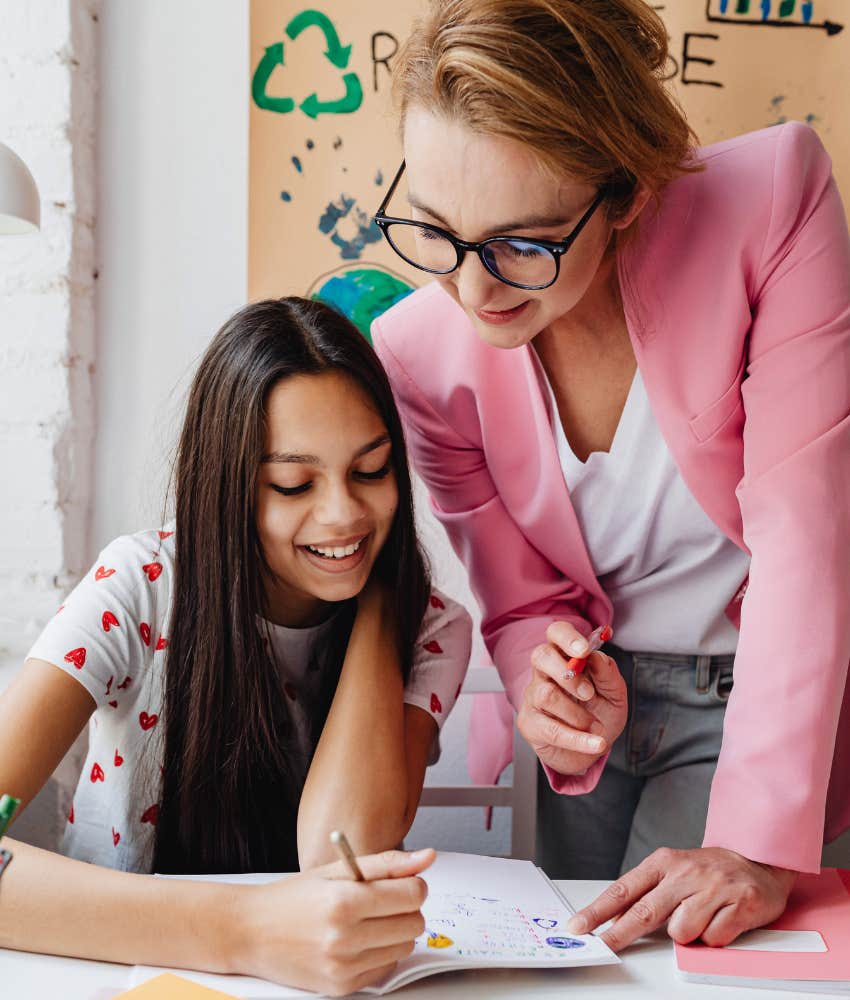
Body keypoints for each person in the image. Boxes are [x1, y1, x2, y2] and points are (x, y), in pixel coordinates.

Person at [371, 0, 850, 953]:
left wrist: (753, 842)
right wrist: (542, 680)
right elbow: (517, 600)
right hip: (599, 720)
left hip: (757, 700)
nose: (474, 293)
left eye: (524, 243)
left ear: (626, 194)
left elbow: (807, 528)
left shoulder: (774, 200)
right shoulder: (419, 351)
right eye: (435, 229)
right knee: (576, 966)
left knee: (690, 963)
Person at [0, 297, 472, 995]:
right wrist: (247, 930)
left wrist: (375, 598)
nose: (343, 512)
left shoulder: (430, 626)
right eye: (293, 483)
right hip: (123, 978)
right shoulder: (138, 587)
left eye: (371, 471)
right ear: (226, 489)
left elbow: (341, 848)